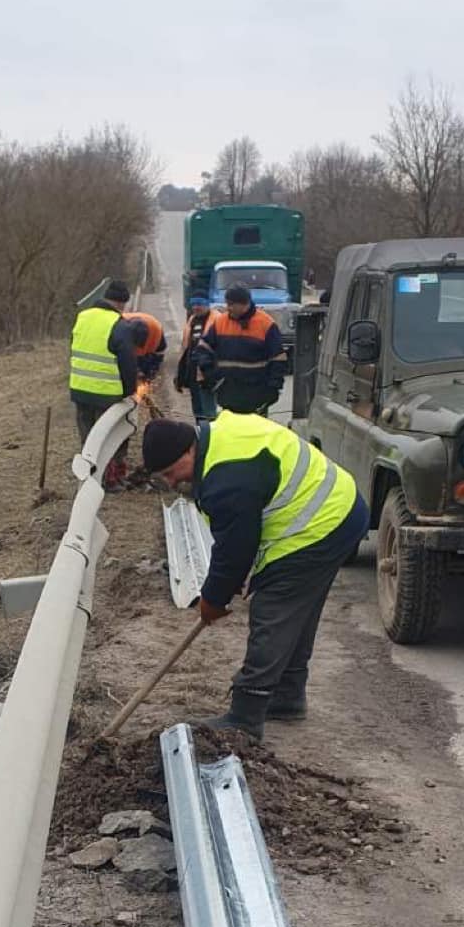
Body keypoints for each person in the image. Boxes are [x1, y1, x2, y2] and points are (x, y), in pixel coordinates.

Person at [141, 412, 367, 739]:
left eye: (170, 472)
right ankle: (287, 697)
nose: (172, 483)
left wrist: (212, 600)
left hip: (320, 524)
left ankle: (245, 717)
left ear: (189, 450)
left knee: (273, 611)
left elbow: (235, 551)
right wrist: (221, 591)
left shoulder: (226, 479)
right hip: (339, 509)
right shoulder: (218, 439)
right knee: (297, 610)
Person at [69, 280, 141, 488]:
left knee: (89, 438)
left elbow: (74, 347)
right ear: (121, 303)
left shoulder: (82, 316)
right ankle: (109, 480)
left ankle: (89, 477)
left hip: (80, 389)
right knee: (110, 438)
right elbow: (128, 363)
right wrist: (130, 393)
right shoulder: (119, 325)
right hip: (107, 394)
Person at [196, 285, 287, 415]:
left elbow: (278, 359)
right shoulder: (221, 322)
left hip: (257, 393)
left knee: (256, 434)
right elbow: (203, 349)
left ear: (245, 304)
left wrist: (274, 386)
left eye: (231, 304)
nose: (228, 308)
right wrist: (209, 372)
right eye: (227, 303)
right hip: (227, 392)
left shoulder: (266, 324)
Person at [175, 292, 218, 422]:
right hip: (193, 372)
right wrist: (181, 375)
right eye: (193, 304)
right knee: (198, 410)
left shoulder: (217, 320)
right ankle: (201, 436)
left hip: (208, 373)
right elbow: (186, 349)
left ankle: (211, 437)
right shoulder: (192, 320)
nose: (196, 307)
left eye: (199, 304)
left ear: (207, 304)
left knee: (209, 411)